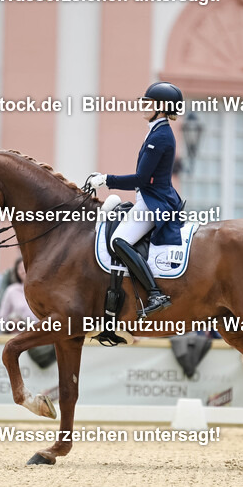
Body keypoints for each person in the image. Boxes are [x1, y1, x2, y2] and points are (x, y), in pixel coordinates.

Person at [90, 81, 184, 318]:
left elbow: (141, 178)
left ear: (162, 107)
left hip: (155, 203)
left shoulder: (160, 136)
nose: (143, 105)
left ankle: (155, 294)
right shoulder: (156, 130)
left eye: (148, 102)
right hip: (150, 198)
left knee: (119, 240)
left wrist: (106, 180)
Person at [0, 257, 37, 331]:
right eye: (20, 268)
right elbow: (2, 316)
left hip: (38, 333)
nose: (23, 271)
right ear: (16, 272)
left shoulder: (40, 290)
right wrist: (12, 323)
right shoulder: (11, 291)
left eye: (25, 267)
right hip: (18, 333)